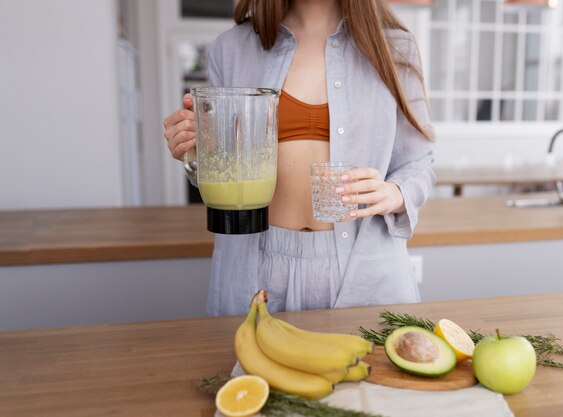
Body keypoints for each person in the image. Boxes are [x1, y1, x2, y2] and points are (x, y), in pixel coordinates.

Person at [163, 0, 436, 316]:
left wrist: (394, 193)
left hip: (363, 267)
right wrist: (195, 150)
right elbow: (219, 163)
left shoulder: (395, 48)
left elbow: (419, 163)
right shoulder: (232, 48)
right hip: (256, 269)